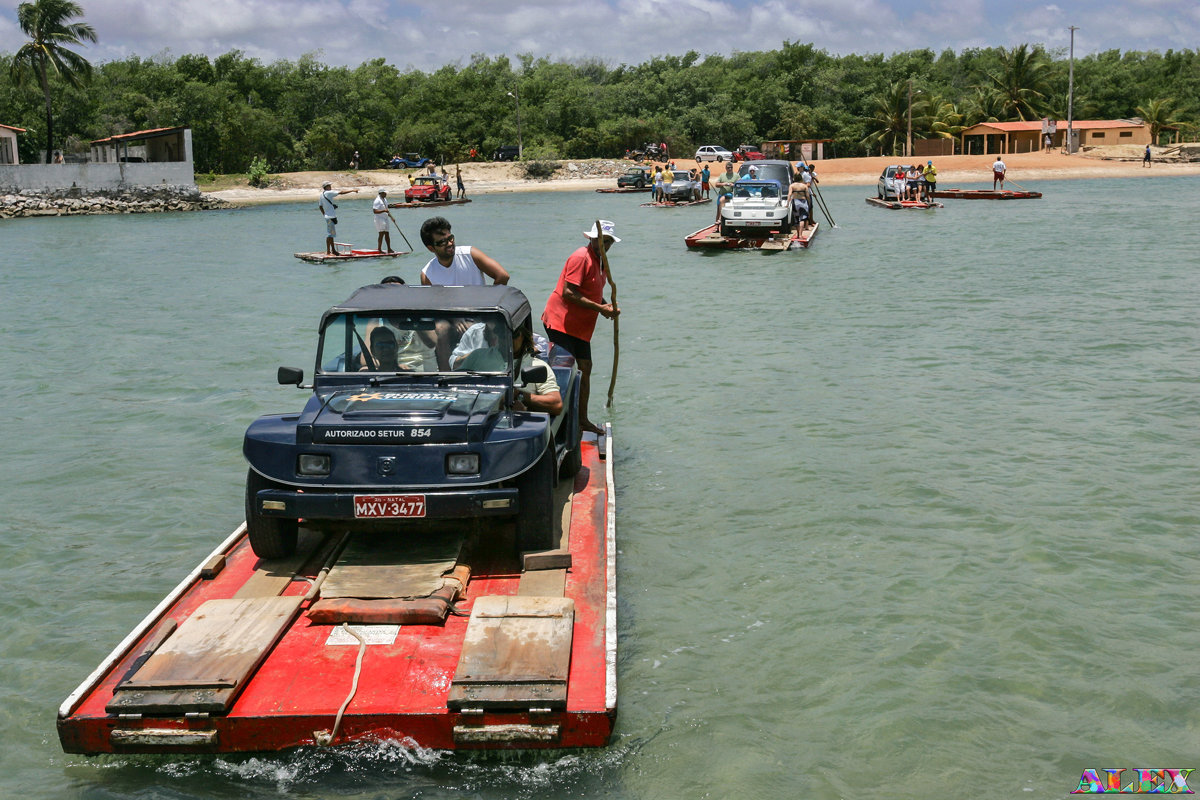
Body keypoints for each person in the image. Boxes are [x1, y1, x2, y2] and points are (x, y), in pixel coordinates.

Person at [541, 220, 620, 436]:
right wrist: (600, 308)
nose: (604, 244)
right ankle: (560, 421)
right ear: (592, 239)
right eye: (601, 240)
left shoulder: (601, 261)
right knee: (566, 371)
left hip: (580, 326)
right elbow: (568, 292)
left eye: (608, 241)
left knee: (586, 367)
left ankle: (581, 419)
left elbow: (591, 290)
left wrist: (605, 305)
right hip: (561, 322)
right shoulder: (581, 257)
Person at [318, 181, 360, 255]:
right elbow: (341, 192)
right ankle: (331, 251)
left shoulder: (322, 195)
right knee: (330, 234)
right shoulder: (328, 193)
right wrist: (352, 190)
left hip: (328, 216)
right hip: (330, 217)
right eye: (329, 186)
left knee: (331, 234)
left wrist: (324, 214)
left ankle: (331, 250)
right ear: (326, 187)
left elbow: (320, 206)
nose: (330, 187)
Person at [787, 169, 811, 236]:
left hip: (795, 202)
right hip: (803, 202)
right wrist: (809, 203)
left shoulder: (792, 185)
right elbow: (807, 196)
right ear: (801, 178)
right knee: (802, 219)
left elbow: (789, 195)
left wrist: (787, 204)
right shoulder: (804, 186)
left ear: (794, 178)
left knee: (796, 219)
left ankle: (798, 234)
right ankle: (800, 235)